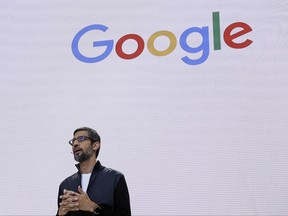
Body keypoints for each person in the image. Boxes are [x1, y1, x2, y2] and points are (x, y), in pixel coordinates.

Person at [57, 127, 131, 216]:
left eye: (81, 139)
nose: (75, 143)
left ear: (95, 145)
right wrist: (60, 214)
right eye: (73, 141)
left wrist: (92, 207)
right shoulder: (66, 184)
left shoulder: (115, 178)